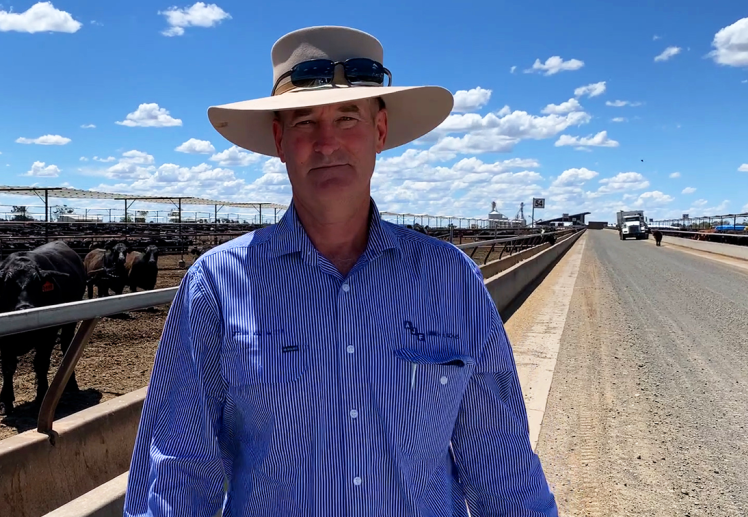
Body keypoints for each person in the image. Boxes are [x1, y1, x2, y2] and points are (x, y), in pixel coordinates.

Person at [123, 25, 559, 516]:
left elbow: (501, 465)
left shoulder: (452, 279)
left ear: (379, 132)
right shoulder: (217, 287)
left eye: (348, 118)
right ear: (279, 139)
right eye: (305, 122)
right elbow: (180, 471)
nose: (327, 143)